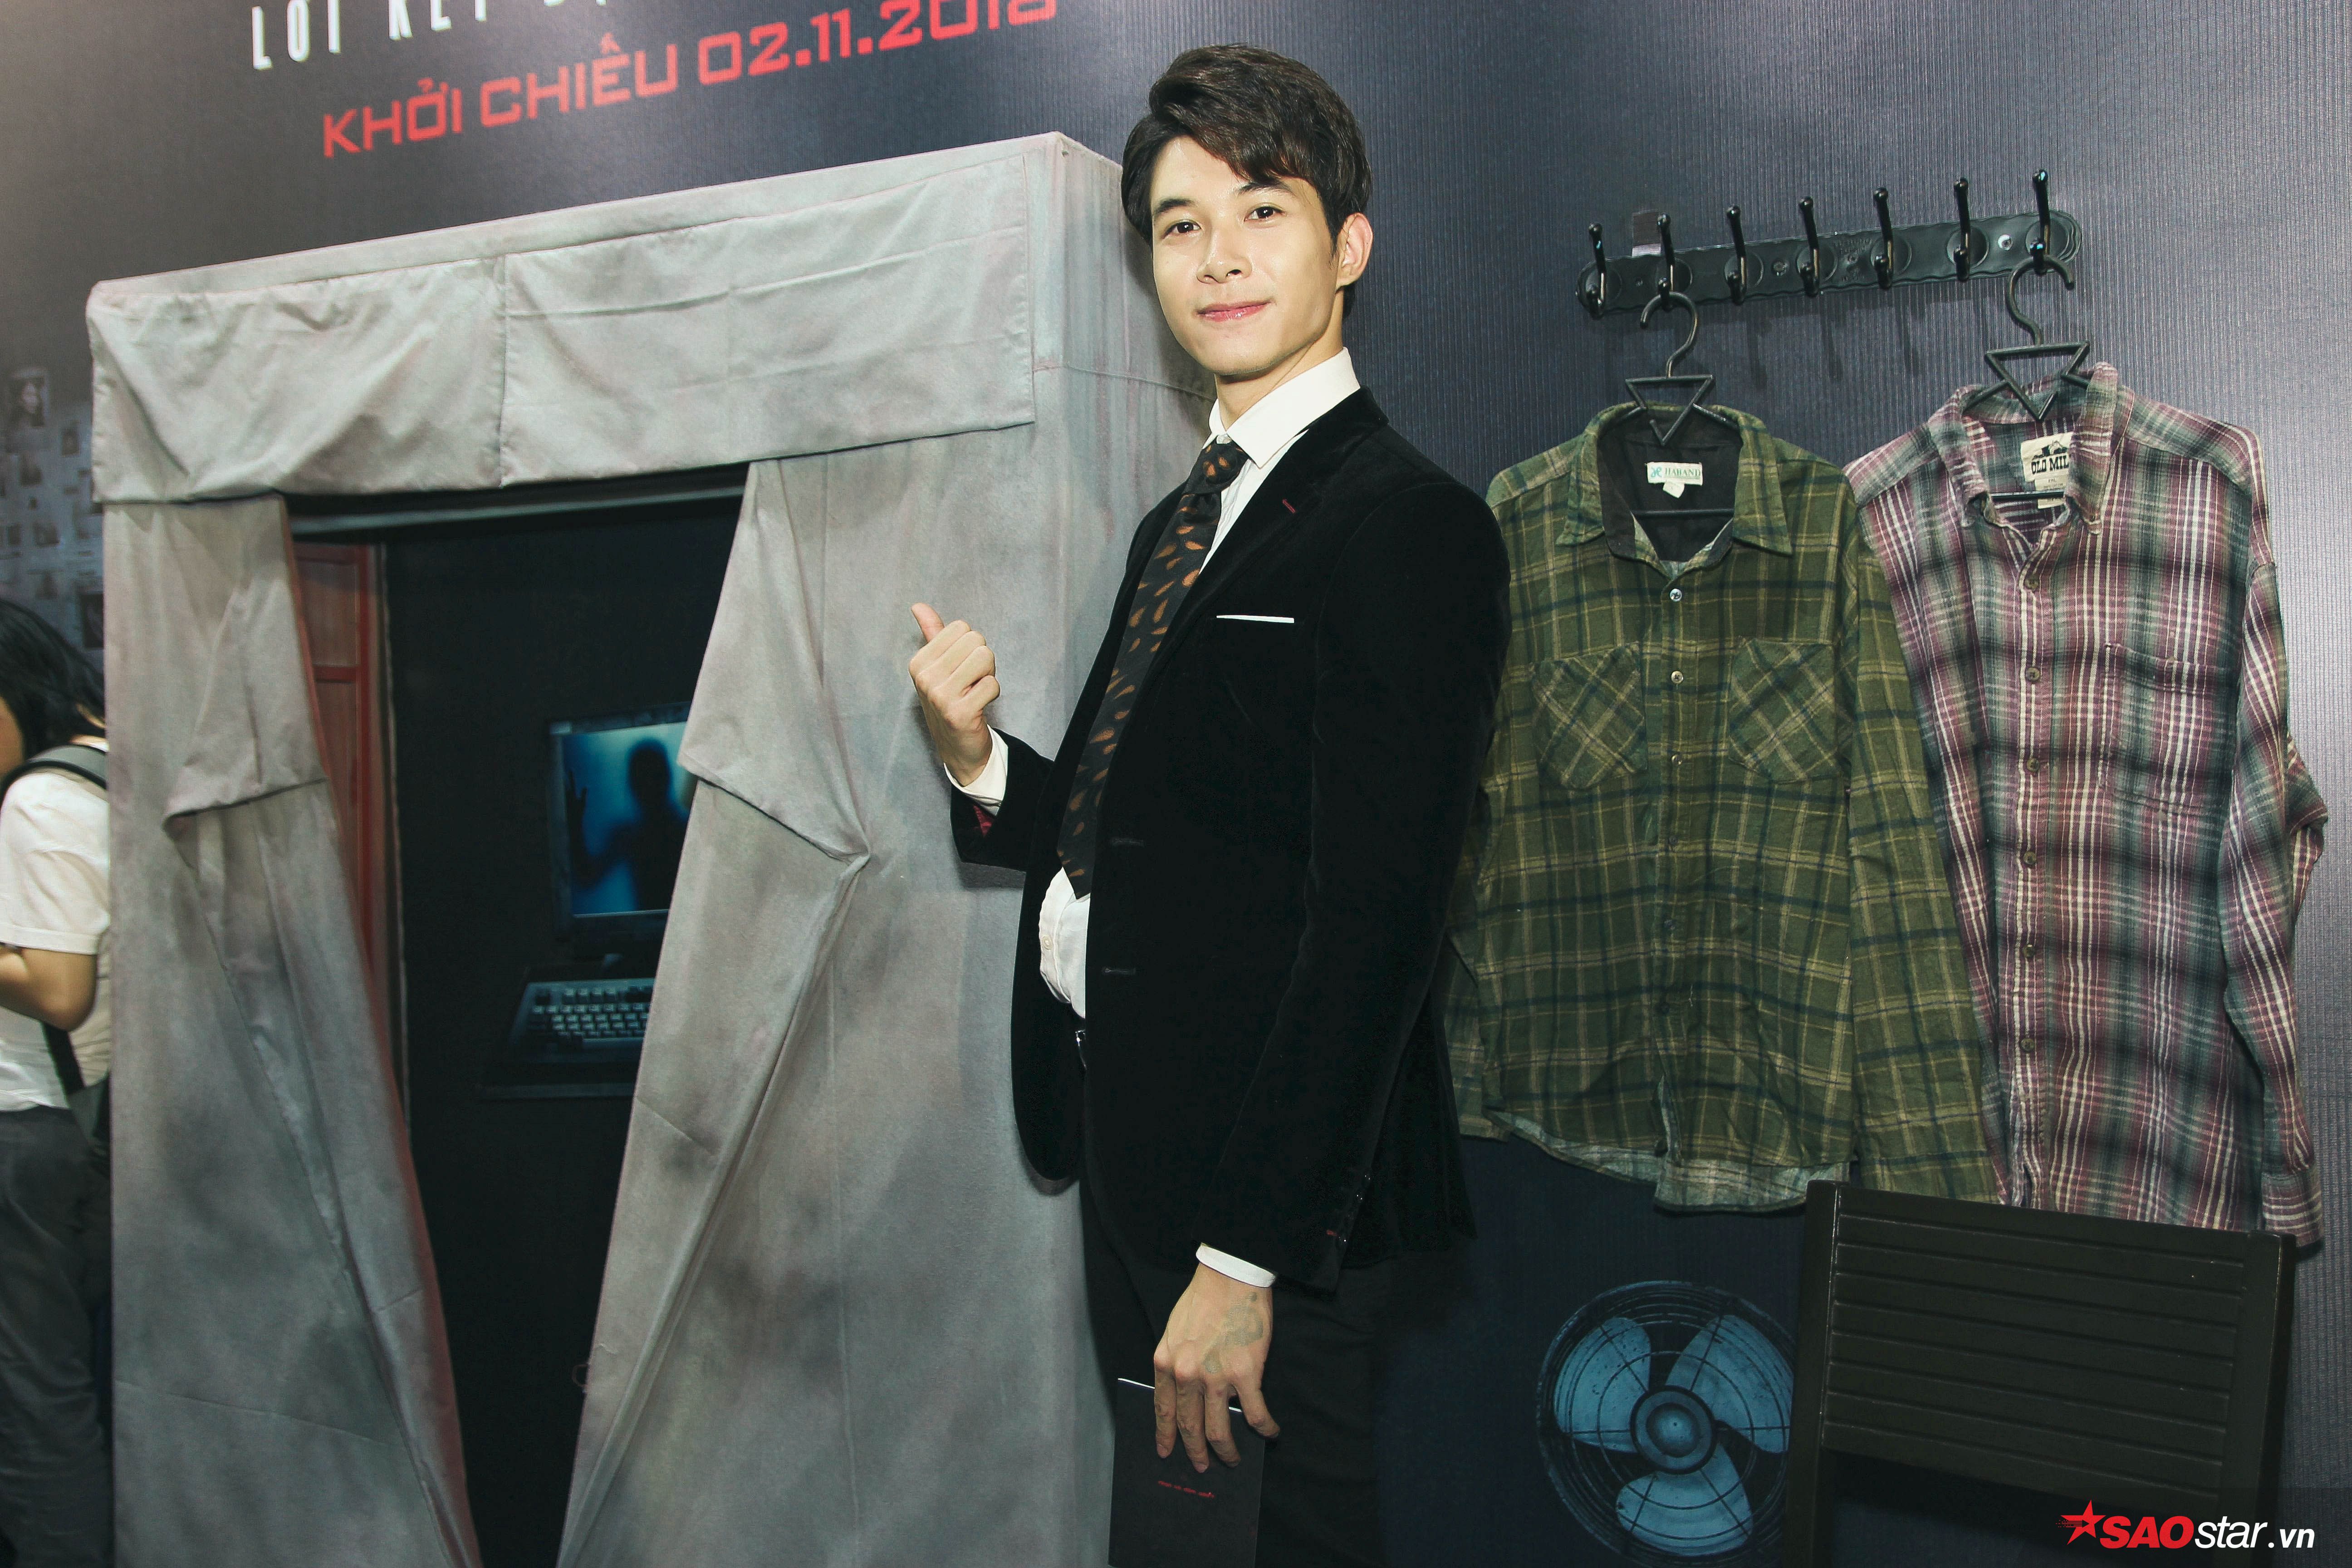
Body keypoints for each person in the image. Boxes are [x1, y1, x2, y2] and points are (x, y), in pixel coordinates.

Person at [906, 45, 1506, 1565]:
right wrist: (980, 759)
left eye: (1263, 210)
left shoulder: (1410, 525)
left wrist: (1243, 1260)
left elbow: (1377, 924)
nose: (1219, 256)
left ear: (1347, 246)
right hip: (1136, 1159)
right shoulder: (1187, 519)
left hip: (1265, 1214)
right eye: (1181, 225)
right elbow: (1138, 830)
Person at [0, 601, 113, 1567]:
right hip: (87, 1120)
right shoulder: (110, 767)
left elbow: (58, 991)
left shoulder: (40, 797)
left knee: (35, 1403)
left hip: (27, 1121)